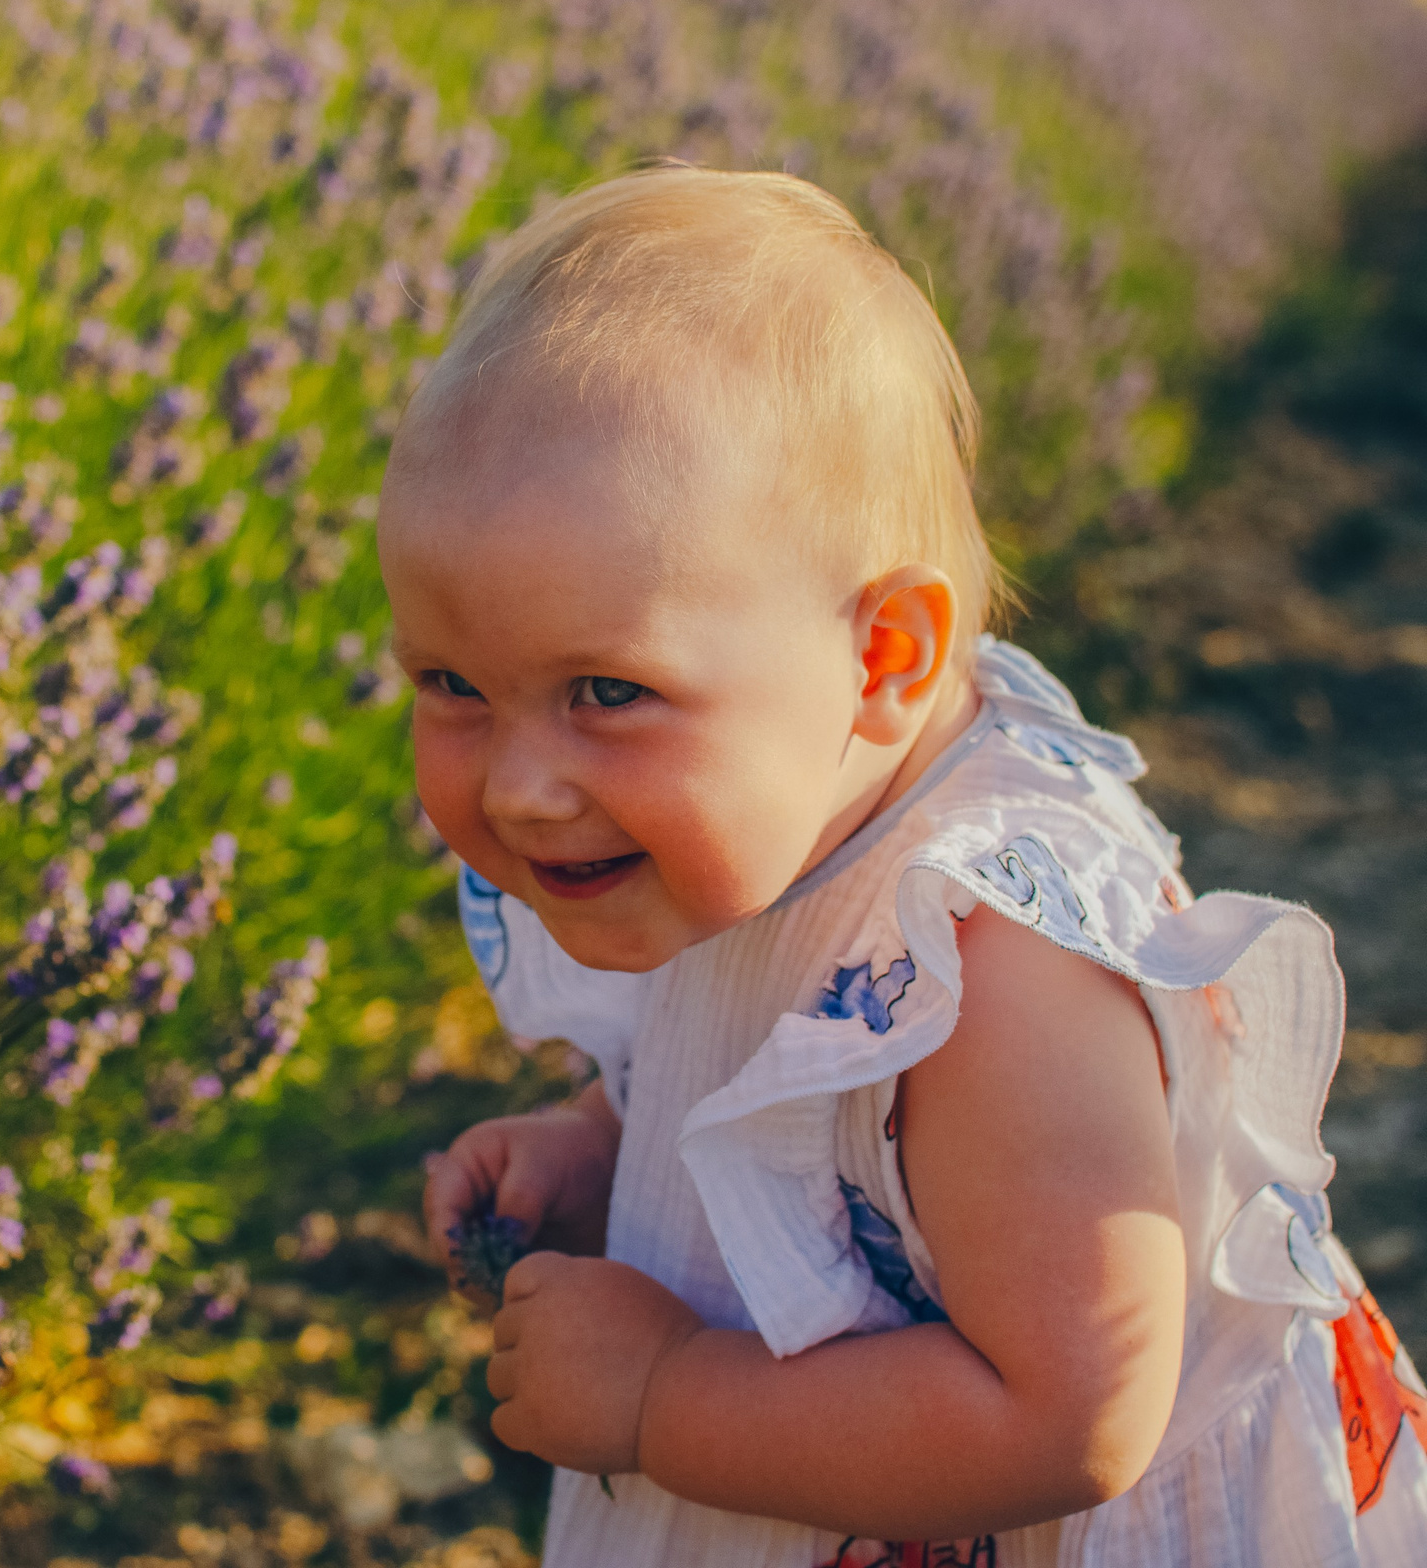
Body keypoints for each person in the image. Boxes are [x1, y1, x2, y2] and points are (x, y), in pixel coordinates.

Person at [385, 164, 1427, 1565]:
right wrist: (610, 1157)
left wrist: (661, 1396)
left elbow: (1070, 1418)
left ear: (883, 658)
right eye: (452, 682)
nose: (518, 784)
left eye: (606, 691)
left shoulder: (996, 979)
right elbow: (770, 1102)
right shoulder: (736, 818)